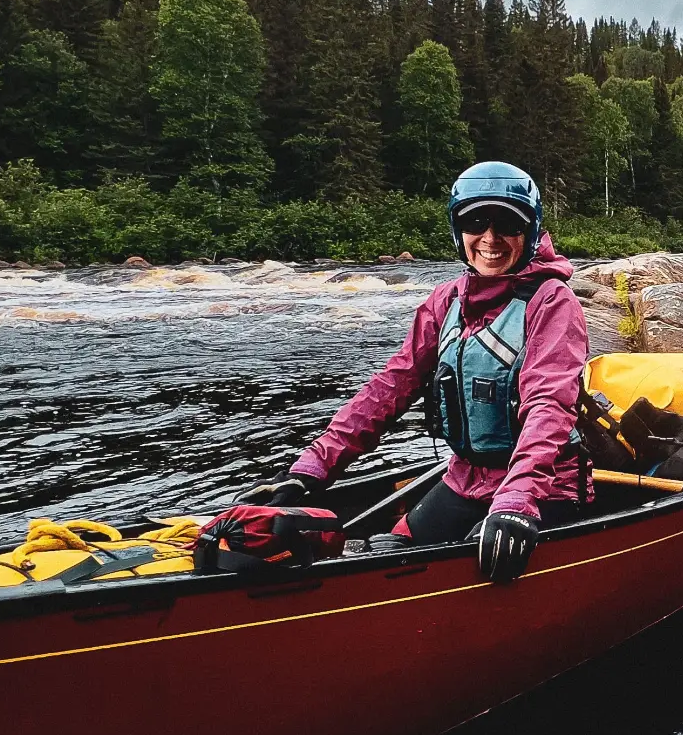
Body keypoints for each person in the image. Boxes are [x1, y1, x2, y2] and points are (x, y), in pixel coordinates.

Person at [237, 162, 590, 583]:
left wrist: (516, 500)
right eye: (475, 222)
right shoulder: (445, 301)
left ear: (529, 231)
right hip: (466, 479)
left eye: (508, 224)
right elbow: (389, 389)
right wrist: (310, 469)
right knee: (397, 544)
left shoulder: (552, 302)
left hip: (546, 486)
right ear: (458, 230)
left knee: (479, 559)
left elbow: (548, 406)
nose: (490, 239)